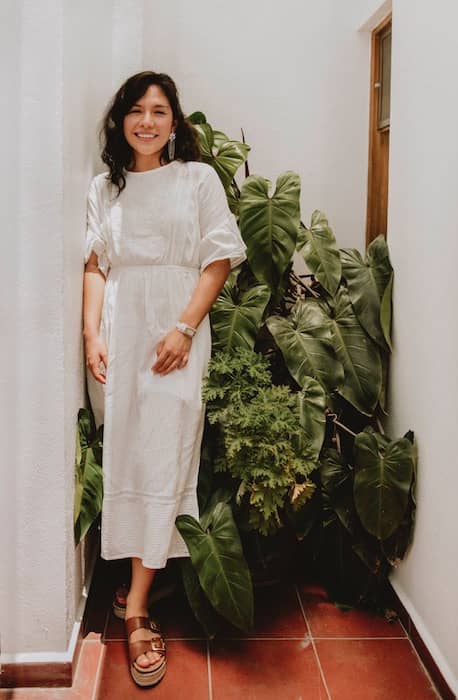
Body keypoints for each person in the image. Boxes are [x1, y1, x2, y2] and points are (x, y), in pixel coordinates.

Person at [82, 71, 246, 688]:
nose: (147, 121)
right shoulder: (105, 189)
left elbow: (219, 257)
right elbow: (96, 265)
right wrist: (92, 335)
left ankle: (139, 606)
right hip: (122, 336)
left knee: (167, 455)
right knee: (126, 455)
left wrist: (182, 327)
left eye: (159, 111)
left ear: (175, 123)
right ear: (120, 119)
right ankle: (139, 580)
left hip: (176, 335)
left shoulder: (197, 180)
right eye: (136, 110)